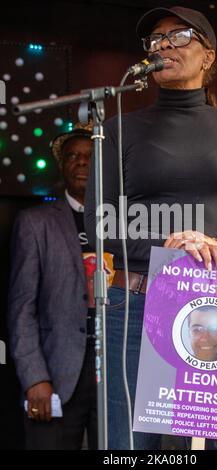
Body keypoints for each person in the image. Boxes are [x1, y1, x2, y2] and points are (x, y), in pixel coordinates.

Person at [84, 6, 217, 450]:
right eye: (155, 39)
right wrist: (170, 247)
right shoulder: (116, 129)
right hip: (134, 305)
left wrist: (215, 243)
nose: (164, 44)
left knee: (212, 444)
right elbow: (99, 222)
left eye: (180, 35)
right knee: (128, 444)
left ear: (208, 56)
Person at [8, 123, 112, 450]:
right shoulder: (35, 222)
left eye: (89, 156)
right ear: (61, 165)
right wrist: (35, 377)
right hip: (57, 369)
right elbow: (21, 308)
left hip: (114, 370)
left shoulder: (124, 222)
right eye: (72, 156)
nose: (81, 162)